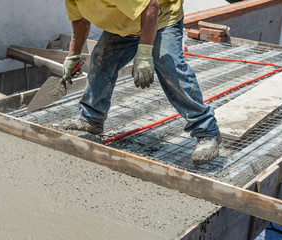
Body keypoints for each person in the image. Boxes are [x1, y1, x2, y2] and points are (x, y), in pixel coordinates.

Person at [61, 0, 221, 166]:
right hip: (125, 20)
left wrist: (144, 54)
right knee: (102, 59)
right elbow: (80, 20)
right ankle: (91, 118)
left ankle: (207, 131)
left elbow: (151, 6)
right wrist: (73, 55)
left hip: (160, 16)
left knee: (169, 67)